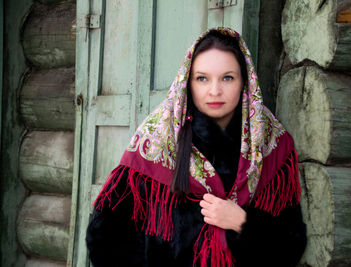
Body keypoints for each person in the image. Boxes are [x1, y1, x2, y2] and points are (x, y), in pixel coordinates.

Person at [86, 27, 307, 267]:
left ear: (245, 80)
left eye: (227, 77)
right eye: (202, 78)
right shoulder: (158, 135)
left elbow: (291, 245)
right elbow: (104, 240)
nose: (214, 91)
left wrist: (242, 223)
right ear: (187, 82)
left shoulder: (270, 140)